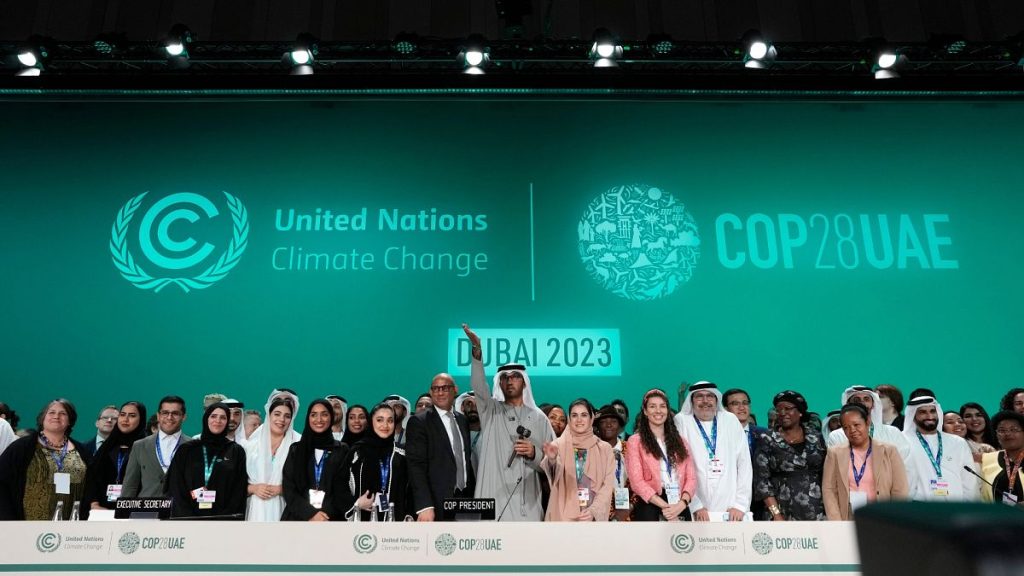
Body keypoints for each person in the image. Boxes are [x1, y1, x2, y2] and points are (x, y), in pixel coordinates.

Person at [464, 323, 554, 521]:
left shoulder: (540, 418)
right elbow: (478, 386)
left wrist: (534, 453)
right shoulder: (491, 410)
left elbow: (555, 464)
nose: (510, 381)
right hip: (492, 499)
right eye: (505, 377)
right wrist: (477, 350)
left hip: (527, 503)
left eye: (515, 377)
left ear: (524, 382)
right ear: (500, 383)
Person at [675, 382, 752, 521]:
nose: (705, 401)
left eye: (710, 396)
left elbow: (744, 464)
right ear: (691, 401)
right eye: (699, 396)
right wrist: (695, 505)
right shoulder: (682, 421)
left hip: (732, 509)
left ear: (717, 399)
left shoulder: (730, 420)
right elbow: (679, 466)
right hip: (696, 509)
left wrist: (740, 505)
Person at [0, 399, 89, 520]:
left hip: (72, 527)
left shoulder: (82, 451)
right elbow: (3, 483)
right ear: (43, 418)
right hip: (26, 527)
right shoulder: (21, 448)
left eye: (63, 413)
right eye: (51, 412)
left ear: (70, 421)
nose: (56, 416)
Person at [406, 372, 474, 522]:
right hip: (435, 503)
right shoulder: (419, 422)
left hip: (464, 499)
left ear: (455, 390)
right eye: (435, 389)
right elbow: (415, 466)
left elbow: (464, 460)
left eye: (445, 388)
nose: (440, 392)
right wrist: (425, 505)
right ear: (431, 392)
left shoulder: (462, 421)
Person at [822, 404, 909, 520]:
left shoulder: (889, 451)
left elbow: (900, 489)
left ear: (867, 422)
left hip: (883, 517)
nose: (852, 430)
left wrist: (894, 519)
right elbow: (829, 489)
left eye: (856, 425)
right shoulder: (835, 453)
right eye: (846, 428)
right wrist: (837, 522)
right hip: (846, 517)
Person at [164, 403, 248, 518]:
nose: (218, 420)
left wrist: (224, 518)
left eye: (223, 417)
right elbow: (175, 486)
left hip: (223, 522)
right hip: (187, 520)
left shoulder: (236, 451)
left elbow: (239, 490)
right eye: (213, 416)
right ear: (206, 418)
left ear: (227, 421)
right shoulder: (187, 450)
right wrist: (187, 516)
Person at [753, 390, 826, 521]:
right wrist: (775, 513)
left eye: (787, 409)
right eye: (778, 409)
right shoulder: (767, 439)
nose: (782, 413)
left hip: (817, 510)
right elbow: (762, 483)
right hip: (781, 512)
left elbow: (826, 474)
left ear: (800, 412)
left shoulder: (816, 437)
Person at [626, 390, 696, 521]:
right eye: (652, 406)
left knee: (683, 541)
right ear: (645, 411)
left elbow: (691, 478)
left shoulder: (681, 441)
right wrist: (666, 507)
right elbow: (637, 482)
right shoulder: (635, 441)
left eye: (662, 406)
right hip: (650, 504)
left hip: (679, 504)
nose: (658, 411)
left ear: (668, 410)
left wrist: (682, 504)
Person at [541, 398, 615, 521]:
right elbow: (552, 477)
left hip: (591, 516)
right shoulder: (558, 445)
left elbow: (607, 487)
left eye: (584, 415)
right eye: (574, 415)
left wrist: (593, 511)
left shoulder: (605, 449)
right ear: (569, 419)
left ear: (591, 418)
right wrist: (552, 460)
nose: (579, 420)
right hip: (562, 515)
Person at [339, 403, 410, 521]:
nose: (385, 425)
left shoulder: (402, 454)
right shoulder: (357, 451)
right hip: (360, 523)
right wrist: (355, 504)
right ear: (371, 422)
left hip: (396, 525)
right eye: (379, 420)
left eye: (390, 421)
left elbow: (412, 489)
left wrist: (409, 514)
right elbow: (340, 484)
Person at [280, 399, 349, 521]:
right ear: (308, 418)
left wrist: (323, 515)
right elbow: (289, 488)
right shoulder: (296, 449)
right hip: (298, 518)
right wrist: (310, 514)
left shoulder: (341, 450)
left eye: (324, 414)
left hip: (330, 519)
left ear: (331, 417)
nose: (319, 419)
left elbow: (342, 489)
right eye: (314, 415)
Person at [826, 386, 913, 480]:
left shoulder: (893, 433)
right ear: (848, 405)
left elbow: (906, 466)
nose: (862, 402)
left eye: (866, 399)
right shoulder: (837, 436)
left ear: (873, 404)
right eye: (856, 400)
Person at [902, 396, 978, 501]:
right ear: (913, 416)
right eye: (923, 412)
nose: (930, 416)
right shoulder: (903, 441)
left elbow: (969, 480)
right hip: (919, 508)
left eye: (933, 411)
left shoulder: (957, 442)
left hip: (955, 507)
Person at [80, 401, 147, 519]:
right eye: (122, 414)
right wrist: (94, 504)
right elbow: (92, 479)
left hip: (135, 512)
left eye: (132, 416)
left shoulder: (146, 447)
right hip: (102, 512)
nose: (125, 419)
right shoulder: (107, 447)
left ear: (141, 420)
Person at [244, 390, 301, 521]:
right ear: (269, 416)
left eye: (287, 416)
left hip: (286, 508)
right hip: (255, 509)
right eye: (277, 414)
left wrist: (282, 489)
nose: (281, 419)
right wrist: (253, 488)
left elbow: (304, 482)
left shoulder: (298, 445)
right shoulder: (251, 445)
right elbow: (236, 482)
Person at [122, 395, 188, 498]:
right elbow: (130, 485)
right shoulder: (139, 446)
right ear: (158, 416)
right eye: (165, 413)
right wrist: (123, 512)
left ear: (183, 417)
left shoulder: (193, 446)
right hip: (146, 510)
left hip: (179, 511)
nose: (169, 417)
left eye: (175, 413)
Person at [723, 387, 768, 520]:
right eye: (735, 403)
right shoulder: (720, 436)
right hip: (731, 501)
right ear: (725, 409)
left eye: (745, 403)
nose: (741, 407)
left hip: (761, 499)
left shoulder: (764, 434)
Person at [594, 404, 631, 521]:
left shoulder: (630, 449)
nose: (609, 425)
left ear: (620, 426)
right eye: (603, 421)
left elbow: (638, 482)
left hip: (628, 513)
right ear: (597, 426)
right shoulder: (592, 451)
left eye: (613, 421)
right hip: (598, 512)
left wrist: (629, 508)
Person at [980, 411, 1024, 505]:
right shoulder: (987, 459)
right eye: (1002, 430)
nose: (1007, 434)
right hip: (996, 517)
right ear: (996, 434)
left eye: (1014, 429)